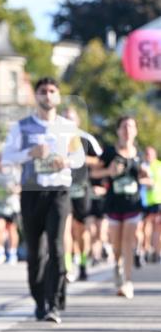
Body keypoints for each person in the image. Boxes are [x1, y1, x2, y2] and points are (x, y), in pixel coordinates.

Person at [1, 77, 84, 325]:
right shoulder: (22, 127)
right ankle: (39, 300)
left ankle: (55, 302)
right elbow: (7, 156)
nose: (47, 96)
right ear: (36, 96)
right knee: (36, 251)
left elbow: (79, 157)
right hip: (31, 192)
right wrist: (30, 153)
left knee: (57, 247)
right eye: (42, 91)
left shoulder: (67, 127)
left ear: (58, 96)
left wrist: (65, 161)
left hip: (58, 190)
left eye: (52, 91)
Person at [91, 116, 150, 299]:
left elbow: (147, 180)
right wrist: (109, 172)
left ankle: (128, 282)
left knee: (128, 242)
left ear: (136, 131)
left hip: (132, 203)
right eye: (124, 126)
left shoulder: (139, 154)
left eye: (131, 126)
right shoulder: (109, 152)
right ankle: (117, 266)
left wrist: (147, 177)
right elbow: (94, 172)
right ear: (118, 131)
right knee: (116, 244)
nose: (127, 130)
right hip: (114, 204)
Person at [63, 106, 103, 283]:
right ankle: (68, 267)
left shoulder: (86, 139)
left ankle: (83, 264)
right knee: (65, 229)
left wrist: (83, 160)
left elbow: (102, 161)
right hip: (62, 189)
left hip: (81, 189)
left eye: (71, 119)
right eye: (65, 119)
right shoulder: (55, 139)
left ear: (77, 121)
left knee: (81, 231)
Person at [0, 158, 21, 264]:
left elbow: (20, 186)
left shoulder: (15, 173)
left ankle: (12, 253)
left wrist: (14, 189)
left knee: (12, 230)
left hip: (12, 206)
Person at [141, 146, 161, 262]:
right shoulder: (143, 166)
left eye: (150, 153)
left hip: (158, 201)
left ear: (155, 154)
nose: (148, 156)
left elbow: (154, 183)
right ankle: (147, 250)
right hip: (145, 202)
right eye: (146, 153)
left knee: (158, 229)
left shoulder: (159, 166)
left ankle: (157, 252)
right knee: (145, 228)